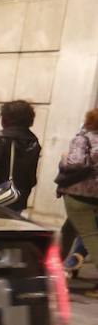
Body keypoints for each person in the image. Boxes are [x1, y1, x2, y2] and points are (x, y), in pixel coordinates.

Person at [58, 108, 98, 278]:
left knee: (90, 236)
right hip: (95, 195)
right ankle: (54, 266)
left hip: (78, 193)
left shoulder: (83, 138)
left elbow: (75, 163)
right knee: (68, 230)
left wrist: (64, 158)